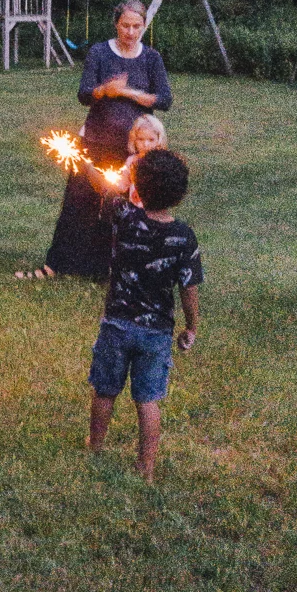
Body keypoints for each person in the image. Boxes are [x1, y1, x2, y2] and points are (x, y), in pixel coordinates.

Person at [17, 0, 172, 281]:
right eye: (125, 25)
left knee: (119, 208)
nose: (131, 32)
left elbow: (164, 99)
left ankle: (106, 269)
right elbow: (84, 94)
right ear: (116, 24)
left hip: (132, 148)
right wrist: (104, 91)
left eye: (137, 26)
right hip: (95, 141)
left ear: (144, 26)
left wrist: (128, 93)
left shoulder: (151, 58)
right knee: (78, 201)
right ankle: (56, 265)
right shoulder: (100, 52)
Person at [78, 148, 202, 482]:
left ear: (137, 186)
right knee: (148, 400)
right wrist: (191, 326)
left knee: (105, 390)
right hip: (156, 333)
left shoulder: (124, 216)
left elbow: (102, 185)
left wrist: (85, 163)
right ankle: (145, 467)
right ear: (181, 193)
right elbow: (189, 289)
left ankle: (95, 446)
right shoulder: (184, 237)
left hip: (116, 324)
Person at [116, 113, 168, 201]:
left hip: (155, 204)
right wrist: (116, 184)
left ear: (158, 140)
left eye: (151, 140)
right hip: (135, 205)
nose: (145, 144)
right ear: (134, 140)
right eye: (140, 139)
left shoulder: (162, 161)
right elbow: (123, 185)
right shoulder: (131, 161)